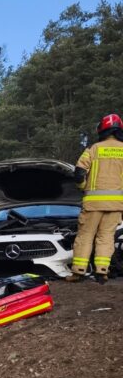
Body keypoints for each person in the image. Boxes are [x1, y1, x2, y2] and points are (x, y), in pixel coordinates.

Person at [69, 113, 123, 283]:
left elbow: (79, 173)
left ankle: (78, 272)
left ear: (102, 130)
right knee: (106, 237)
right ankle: (102, 272)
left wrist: (82, 187)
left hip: (93, 203)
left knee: (85, 236)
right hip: (116, 205)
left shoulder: (93, 149)